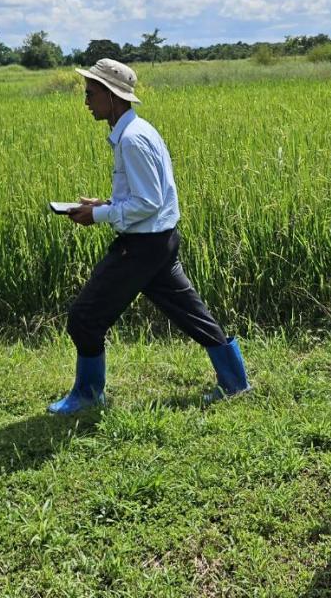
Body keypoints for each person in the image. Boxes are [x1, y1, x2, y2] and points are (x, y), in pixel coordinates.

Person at [49, 57, 251, 413]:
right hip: (158, 240)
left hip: (142, 246)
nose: (86, 101)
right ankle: (236, 381)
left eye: (90, 93)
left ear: (112, 96)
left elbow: (148, 201)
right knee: (190, 312)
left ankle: (87, 395)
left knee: (85, 317)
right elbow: (145, 197)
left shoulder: (132, 140)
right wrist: (107, 202)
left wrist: (96, 214)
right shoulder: (139, 131)